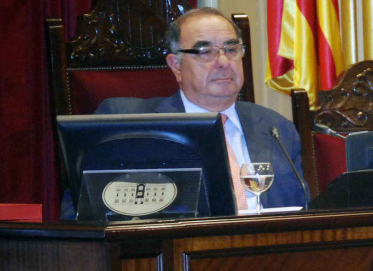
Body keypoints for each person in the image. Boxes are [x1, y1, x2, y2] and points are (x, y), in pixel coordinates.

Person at [62, 8, 308, 218]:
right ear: (176, 66)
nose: (223, 61)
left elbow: (304, 210)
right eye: (205, 51)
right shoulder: (124, 122)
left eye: (231, 49)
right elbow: (80, 212)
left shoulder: (275, 127)